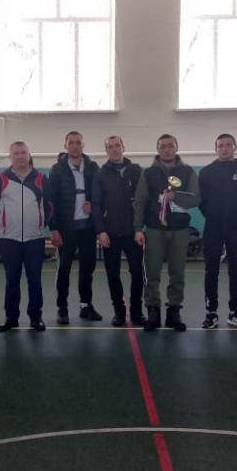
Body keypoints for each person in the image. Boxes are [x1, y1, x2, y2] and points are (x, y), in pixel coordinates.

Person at [133, 134, 200, 332]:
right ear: (158, 149)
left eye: (170, 145)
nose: (167, 149)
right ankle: (153, 311)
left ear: (176, 148)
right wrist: (138, 228)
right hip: (154, 229)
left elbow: (196, 199)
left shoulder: (188, 171)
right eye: (163, 146)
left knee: (177, 273)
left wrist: (176, 197)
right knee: (151, 272)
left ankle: (174, 312)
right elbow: (140, 201)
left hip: (180, 230)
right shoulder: (148, 173)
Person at [0, 141, 53, 332]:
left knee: (35, 279)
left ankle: (36, 317)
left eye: (23, 152)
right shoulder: (0, 179)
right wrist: (6, 224)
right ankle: (11, 318)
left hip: (35, 239)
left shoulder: (41, 178)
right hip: (9, 239)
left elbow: (49, 206)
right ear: (10, 156)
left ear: (29, 155)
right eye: (16, 153)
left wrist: (40, 224)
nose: (20, 156)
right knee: (12, 280)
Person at [198, 133, 237, 329]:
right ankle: (211, 313)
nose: (224, 148)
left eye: (228, 145)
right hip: (213, 227)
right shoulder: (206, 172)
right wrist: (212, 215)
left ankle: (235, 312)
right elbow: (201, 200)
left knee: (236, 270)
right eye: (220, 145)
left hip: (236, 227)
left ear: (235, 147)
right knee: (211, 270)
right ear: (216, 149)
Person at [49, 131, 102, 325]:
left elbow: (100, 194)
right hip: (66, 229)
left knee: (87, 269)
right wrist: (53, 228)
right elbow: (51, 201)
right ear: (65, 146)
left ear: (83, 145)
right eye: (71, 142)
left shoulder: (93, 168)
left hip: (88, 228)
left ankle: (85, 305)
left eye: (78, 142)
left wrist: (93, 206)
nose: (74, 146)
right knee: (64, 270)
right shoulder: (57, 169)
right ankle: (62, 308)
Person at [92, 135, 145, 327]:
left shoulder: (136, 170)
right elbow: (96, 204)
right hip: (110, 234)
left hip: (133, 232)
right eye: (110, 147)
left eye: (117, 146)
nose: (114, 149)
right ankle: (119, 312)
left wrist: (139, 228)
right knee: (113, 274)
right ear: (106, 151)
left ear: (123, 147)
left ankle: (137, 311)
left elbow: (143, 200)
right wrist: (101, 231)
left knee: (137, 273)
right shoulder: (100, 174)